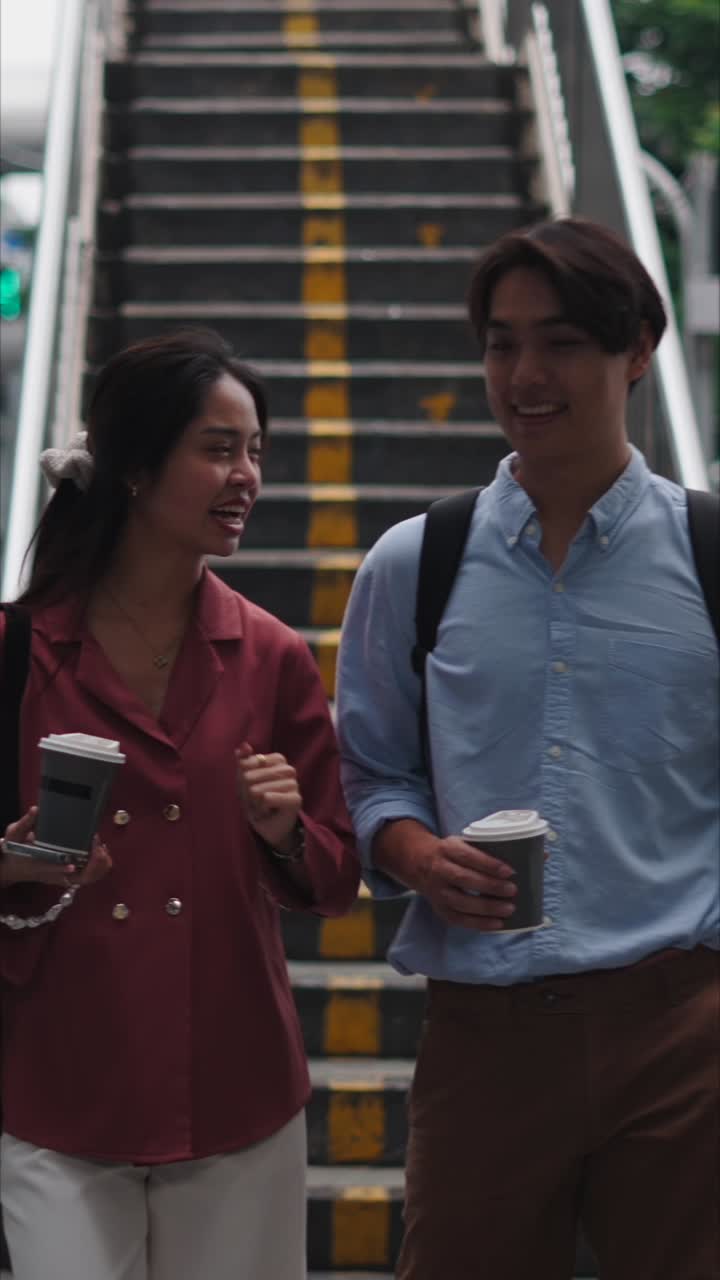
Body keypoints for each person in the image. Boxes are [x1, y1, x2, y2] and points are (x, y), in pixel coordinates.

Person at [335, 218, 719, 1280]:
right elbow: (371, 768)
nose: (525, 373)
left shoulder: (708, 554)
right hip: (486, 1030)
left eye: (559, 342)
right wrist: (415, 856)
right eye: (501, 343)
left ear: (637, 350)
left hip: (682, 1021)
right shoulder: (417, 563)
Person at [0, 328, 359, 1280]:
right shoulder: (15, 651)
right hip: (57, 1085)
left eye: (255, 451)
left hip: (233, 1086)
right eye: (216, 449)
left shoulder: (272, 653)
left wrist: (286, 834)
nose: (245, 475)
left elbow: (337, 873)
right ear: (131, 469)